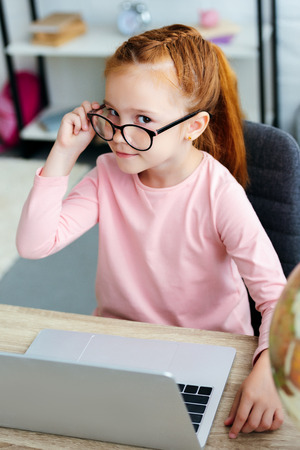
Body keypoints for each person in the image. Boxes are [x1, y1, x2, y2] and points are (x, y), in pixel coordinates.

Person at [17, 24, 286, 439]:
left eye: (142, 119)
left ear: (192, 127)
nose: (120, 138)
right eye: (112, 112)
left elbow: (276, 298)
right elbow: (35, 244)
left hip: (207, 352)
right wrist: (64, 153)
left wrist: (267, 368)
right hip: (118, 344)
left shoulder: (219, 193)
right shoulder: (108, 174)